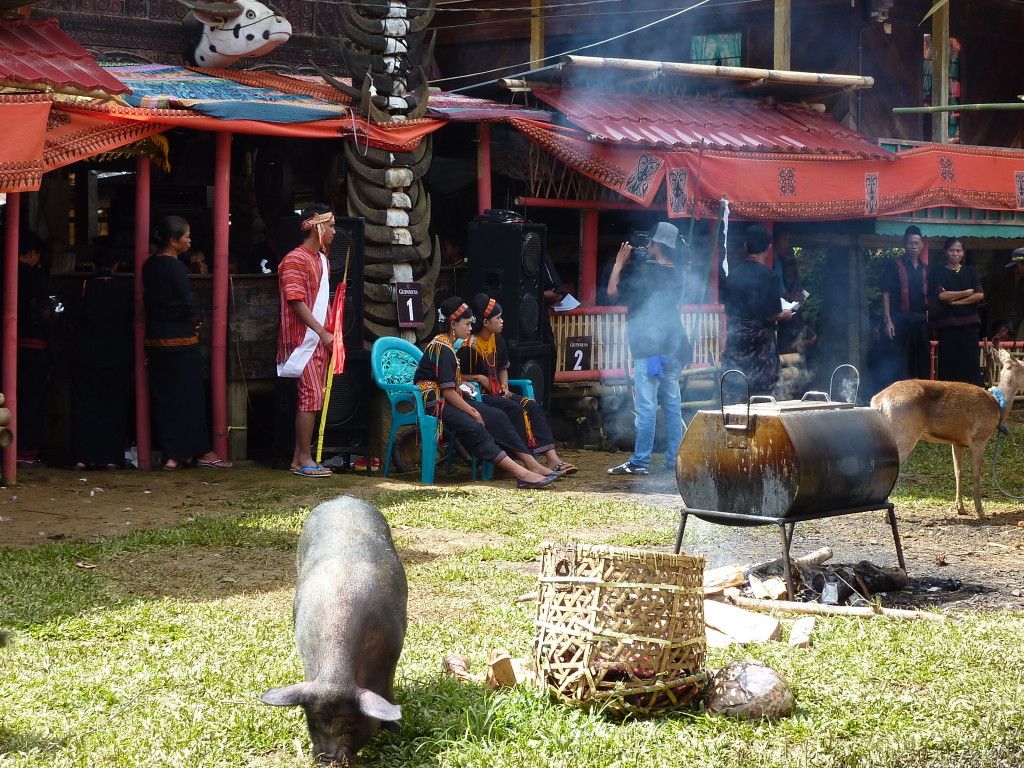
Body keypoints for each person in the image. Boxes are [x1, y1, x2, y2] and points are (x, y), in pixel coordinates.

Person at [415, 297, 560, 489]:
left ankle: (531, 464)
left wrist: (463, 383)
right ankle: (521, 473)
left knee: (498, 416)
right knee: (475, 425)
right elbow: (447, 392)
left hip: (449, 398)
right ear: (453, 324)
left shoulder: (447, 345)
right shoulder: (443, 348)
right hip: (436, 403)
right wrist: (473, 412)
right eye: (467, 324)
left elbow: (448, 382)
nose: (470, 328)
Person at [143, 216, 233, 471]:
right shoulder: (174, 267)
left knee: (165, 399)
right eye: (186, 236)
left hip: (156, 340)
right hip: (180, 341)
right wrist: (196, 321)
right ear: (173, 241)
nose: (189, 241)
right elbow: (187, 303)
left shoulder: (149, 265)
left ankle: (172, 456)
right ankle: (202, 452)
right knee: (190, 399)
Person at [605, 221, 692, 476]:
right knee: (672, 406)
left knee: (645, 407)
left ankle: (640, 461)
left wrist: (619, 263)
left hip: (650, 348)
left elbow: (612, 292)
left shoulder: (645, 274)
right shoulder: (678, 273)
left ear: (655, 244)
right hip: (674, 346)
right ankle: (674, 458)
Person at [459, 292, 577, 474]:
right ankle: (529, 460)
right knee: (514, 408)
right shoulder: (469, 348)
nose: (502, 322)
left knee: (532, 405)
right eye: (498, 318)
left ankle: (552, 459)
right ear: (486, 322)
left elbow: (502, 368)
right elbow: (457, 375)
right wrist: (479, 378)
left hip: (496, 392)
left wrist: (504, 387)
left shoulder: (497, 339)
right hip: (479, 397)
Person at [276, 204, 336, 478]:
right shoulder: (294, 259)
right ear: (316, 226)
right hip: (303, 339)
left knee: (314, 396)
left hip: (319, 338)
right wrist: (322, 332)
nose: (334, 232)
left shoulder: (322, 260)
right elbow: (296, 301)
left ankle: (297, 459)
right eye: (331, 226)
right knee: (310, 396)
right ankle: (304, 459)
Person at [70, 248, 133, 470]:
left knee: (84, 404)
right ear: (116, 266)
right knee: (115, 404)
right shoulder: (127, 288)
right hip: (118, 352)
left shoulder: (83, 287)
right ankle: (111, 458)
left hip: (86, 352)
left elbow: (72, 318)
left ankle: (81, 457)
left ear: (93, 266)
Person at [721, 224, 793, 402]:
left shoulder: (734, 274)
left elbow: (727, 306)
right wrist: (785, 314)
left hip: (736, 340)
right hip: (760, 347)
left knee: (736, 384)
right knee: (762, 391)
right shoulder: (768, 276)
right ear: (769, 247)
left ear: (746, 246)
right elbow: (771, 315)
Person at [14, 232, 52, 468]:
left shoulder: (7, 272)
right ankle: (25, 453)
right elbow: (43, 313)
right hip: (33, 345)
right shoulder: (36, 276)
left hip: (10, 344)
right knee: (31, 400)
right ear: (32, 253)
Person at [930, 237, 984, 385]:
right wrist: (967, 292)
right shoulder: (939, 272)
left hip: (969, 326)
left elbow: (979, 295)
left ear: (963, 252)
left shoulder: (970, 271)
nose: (955, 254)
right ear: (945, 252)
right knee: (949, 365)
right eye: (951, 250)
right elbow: (942, 295)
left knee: (970, 363)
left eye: (958, 250)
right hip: (948, 327)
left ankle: (972, 395)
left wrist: (955, 302)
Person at [881, 225, 930, 381]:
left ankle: (922, 393)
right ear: (904, 244)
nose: (913, 246)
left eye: (916, 243)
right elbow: (886, 293)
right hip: (899, 321)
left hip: (920, 322)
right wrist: (888, 321)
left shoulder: (926, 269)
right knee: (900, 363)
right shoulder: (894, 266)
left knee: (922, 362)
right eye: (910, 243)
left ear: (922, 245)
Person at [993, 247, 1024, 344]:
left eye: (1016, 266)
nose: (1015, 270)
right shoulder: (1022, 283)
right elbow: (1018, 310)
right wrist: (1008, 328)